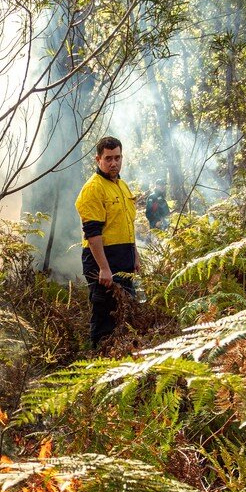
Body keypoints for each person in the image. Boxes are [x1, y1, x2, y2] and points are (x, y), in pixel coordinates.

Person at [75, 136, 140, 348]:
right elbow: (92, 233)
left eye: (117, 158)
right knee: (104, 317)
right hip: (103, 263)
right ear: (98, 159)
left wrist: (135, 256)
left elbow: (127, 225)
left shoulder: (122, 186)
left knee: (125, 315)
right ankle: (98, 362)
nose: (114, 163)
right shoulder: (93, 188)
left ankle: (120, 360)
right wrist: (104, 268)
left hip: (124, 260)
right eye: (108, 158)